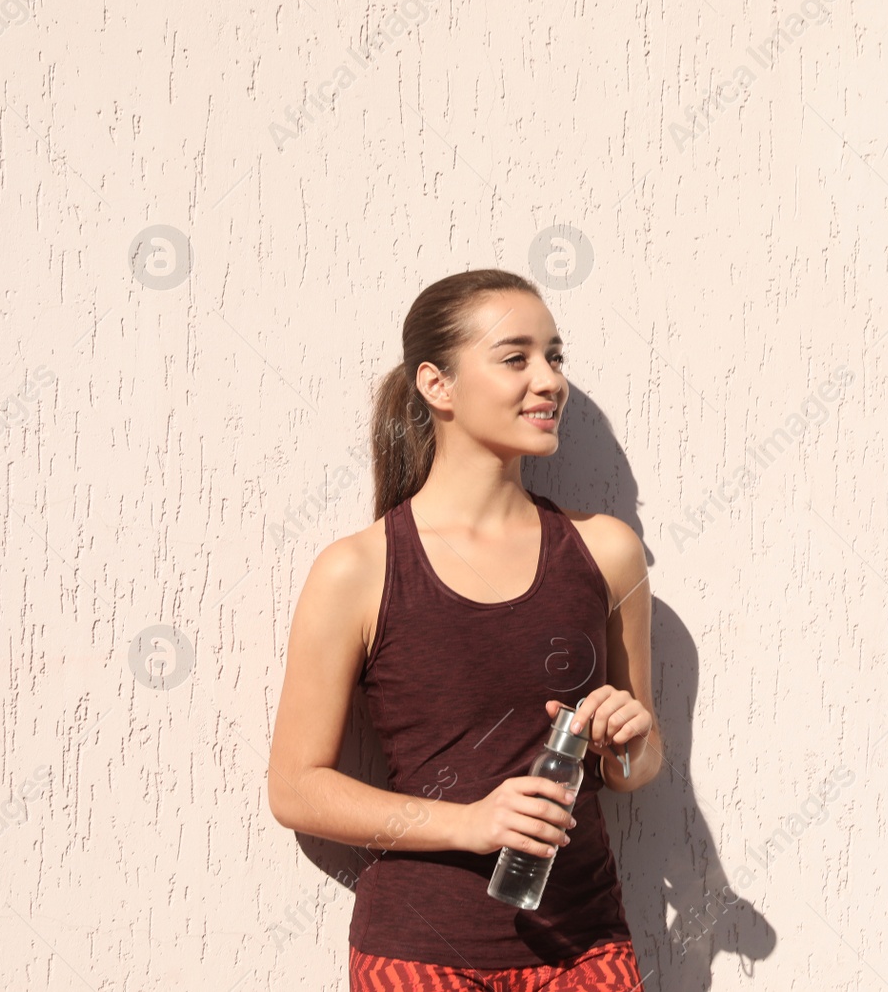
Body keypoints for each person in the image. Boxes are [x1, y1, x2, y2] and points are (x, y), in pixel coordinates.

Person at [267, 269, 661, 991]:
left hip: (585, 948)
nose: (548, 381)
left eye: (555, 357)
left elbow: (635, 772)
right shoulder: (359, 569)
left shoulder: (606, 551)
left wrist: (628, 742)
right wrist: (471, 822)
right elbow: (296, 788)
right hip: (419, 953)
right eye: (516, 358)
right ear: (436, 385)